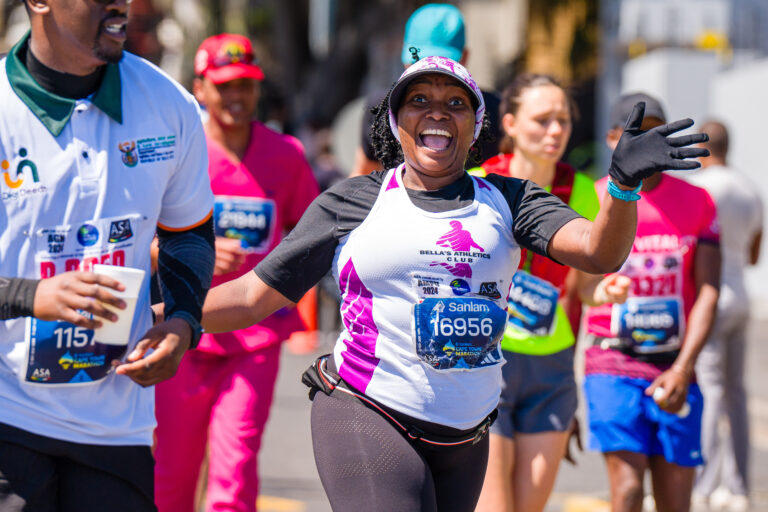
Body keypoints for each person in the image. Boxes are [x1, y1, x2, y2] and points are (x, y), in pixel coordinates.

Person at [183, 57, 708, 511]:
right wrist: (169, 314)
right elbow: (254, 295)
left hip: (465, 433)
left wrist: (622, 188)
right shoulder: (354, 202)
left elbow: (599, 252)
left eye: (455, 103)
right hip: (365, 408)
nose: (437, 111)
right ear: (396, 119)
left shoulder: (511, 199)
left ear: (476, 124)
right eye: (419, 100)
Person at [0, 0, 215, 510]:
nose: (120, 4)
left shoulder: (169, 105)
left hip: (118, 428)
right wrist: (32, 296)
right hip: (8, 415)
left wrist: (184, 322)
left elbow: (189, 234)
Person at [152, 33, 319, 512]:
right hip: (181, 330)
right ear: (198, 88)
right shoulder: (176, 150)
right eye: (224, 86)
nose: (236, 97)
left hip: (255, 338)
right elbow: (136, 233)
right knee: (173, 472)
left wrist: (285, 285)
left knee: (236, 465)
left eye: (245, 85)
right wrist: (180, 249)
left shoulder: (284, 155)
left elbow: (311, 235)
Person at [576, 93, 721, 512]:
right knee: (627, 493)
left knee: (676, 501)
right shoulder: (593, 197)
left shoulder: (698, 200)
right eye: (637, 131)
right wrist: (601, 291)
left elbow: (708, 289)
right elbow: (581, 288)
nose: (649, 139)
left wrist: (683, 366)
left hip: (675, 367)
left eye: (657, 128)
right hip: (612, 365)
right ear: (611, 139)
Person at [471, 73, 600, 512]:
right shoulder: (476, 183)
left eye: (562, 120)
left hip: (551, 367)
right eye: (542, 120)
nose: (555, 131)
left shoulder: (583, 191)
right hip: (485, 360)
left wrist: (609, 290)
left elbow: (588, 288)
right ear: (509, 123)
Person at [685, 121, 762, 511]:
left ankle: (702, 486)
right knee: (736, 394)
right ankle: (739, 488)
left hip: (710, 298)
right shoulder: (749, 188)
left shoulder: (702, 189)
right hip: (743, 298)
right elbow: (753, 254)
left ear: (701, 148)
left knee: (710, 392)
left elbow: (696, 254)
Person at [351, 3, 502, 176]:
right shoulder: (379, 108)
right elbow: (362, 175)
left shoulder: (498, 111)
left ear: (465, 58)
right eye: (420, 60)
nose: (437, 114)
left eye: (456, 103)